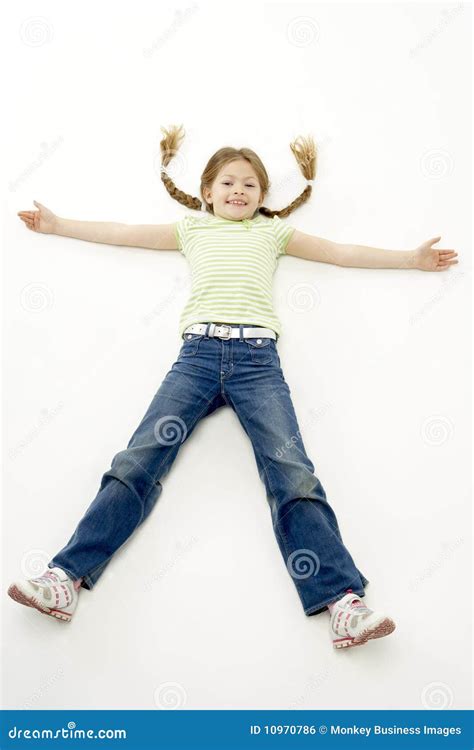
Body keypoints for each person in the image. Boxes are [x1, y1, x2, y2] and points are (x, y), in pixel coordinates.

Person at [9, 125, 458, 649]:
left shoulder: (272, 234)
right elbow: (123, 231)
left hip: (256, 362)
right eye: (228, 182)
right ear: (207, 191)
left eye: (249, 185)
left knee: (291, 471)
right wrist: (59, 224)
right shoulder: (191, 231)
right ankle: (65, 579)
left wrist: (411, 259)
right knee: (138, 460)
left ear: (263, 197)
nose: (238, 191)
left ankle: (342, 603)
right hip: (196, 357)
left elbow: (341, 251)